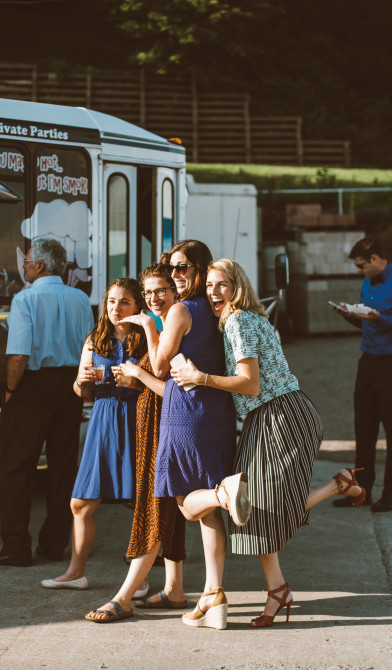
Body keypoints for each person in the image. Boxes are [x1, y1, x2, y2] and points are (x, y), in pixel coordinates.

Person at [171, 258, 367, 627]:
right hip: (270, 416)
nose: (214, 292)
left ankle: (339, 485)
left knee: (257, 506)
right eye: (209, 285)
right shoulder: (243, 319)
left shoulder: (240, 322)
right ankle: (278, 589)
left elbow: (250, 383)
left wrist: (199, 377)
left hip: (282, 414)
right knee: (252, 509)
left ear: (237, 286)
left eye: (222, 285)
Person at [135, 240, 242, 630]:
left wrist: (151, 325)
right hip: (218, 412)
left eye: (182, 267)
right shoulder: (220, 310)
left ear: (199, 268)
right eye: (170, 267)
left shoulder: (180, 311)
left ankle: (222, 493)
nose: (174, 274)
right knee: (208, 516)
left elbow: (161, 366)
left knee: (187, 501)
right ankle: (214, 596)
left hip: (185, 415)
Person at [83, 262, 189, 623]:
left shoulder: (167, 325)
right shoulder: (156, 325)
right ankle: (174, 588)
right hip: (154, 425)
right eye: (148, 293)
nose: (154, 298)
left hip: (166, 426)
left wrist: (136, 372)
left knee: (155, 506)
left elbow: (170, 385)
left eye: (161, 290)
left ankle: (125, 596)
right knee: (172, 505)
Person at [0, 238, 93, 567]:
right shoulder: (81, 299)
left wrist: (9, 390)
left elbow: (19, 353)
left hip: (32, 385)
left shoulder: (25, 298)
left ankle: (16, 546)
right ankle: (54, 543)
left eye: (28, 261)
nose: (25, 266)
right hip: (70, 384)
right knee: (62, 468)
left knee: (17, 467)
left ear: (41, 266)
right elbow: (90, 346)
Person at [41, 278, 145, 596]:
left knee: (143, 504)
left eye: (124, 301)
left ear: (137, 306)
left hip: (135, 421)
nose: (116, 308)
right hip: (102, 420)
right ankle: (76, 572)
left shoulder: (145, 340)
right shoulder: (94, 339)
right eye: (111, 301)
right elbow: (80, 391)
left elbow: (159, 385)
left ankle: (140, 580)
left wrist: (134, 380)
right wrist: (83, 381)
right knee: (81, 503)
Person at [331, 236, 392, 513]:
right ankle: (362, 490)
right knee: (364, 426)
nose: (359, 271)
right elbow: (367, 325)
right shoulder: (368, 282)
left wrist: (381, 318)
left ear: (375, 259)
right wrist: (350, 315)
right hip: (368, 360)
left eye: (361, 266)